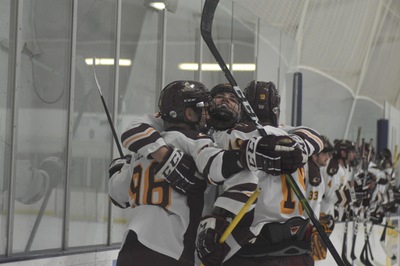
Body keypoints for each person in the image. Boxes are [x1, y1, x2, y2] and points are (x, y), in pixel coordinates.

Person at [109, 80, 297, 265]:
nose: (207, 113)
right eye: (203, 108)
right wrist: (246, 157)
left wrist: (119, 166)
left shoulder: (142, 152)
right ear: (189, 113)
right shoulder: (197, 142)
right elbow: (220, 167)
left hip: (131, 248)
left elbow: (117, 194)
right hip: (174, 250)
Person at [197, 81, 323, 266]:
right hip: (298, 247)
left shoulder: (233, 136)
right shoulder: (292, 140)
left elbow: (215, 171)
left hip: (254, 247)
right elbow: (314, 136)